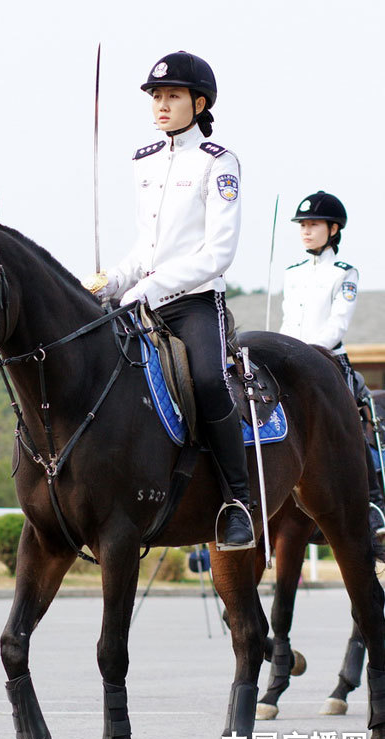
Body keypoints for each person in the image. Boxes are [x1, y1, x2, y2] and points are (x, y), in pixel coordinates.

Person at [85, 50, 254, 548]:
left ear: (199, 104)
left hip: (196, 302)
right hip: (143, 301)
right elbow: (148, 247)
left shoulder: (218, 163)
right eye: (156, 96)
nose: (161, 104)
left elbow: (218, 253)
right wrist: (113, 282)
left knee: (208, 380)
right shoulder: (144, 162)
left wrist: (148, 287)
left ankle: (237, 502)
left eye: (173, 96)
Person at [280, 190, 385, 534]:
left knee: (354, 428)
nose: (306, 231)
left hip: (329, 361)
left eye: (313, 224)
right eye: (302, 225)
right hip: (289, 359)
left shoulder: (344, 273)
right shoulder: (291, 273)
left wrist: (304, 354)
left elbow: (337, 326)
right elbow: (287, 322)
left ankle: (373, 505)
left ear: (334, 229)